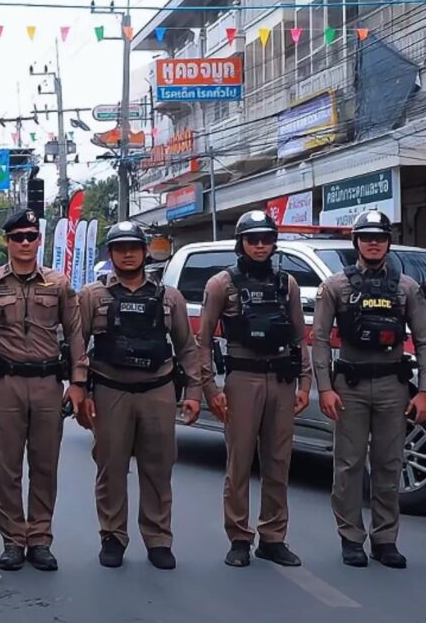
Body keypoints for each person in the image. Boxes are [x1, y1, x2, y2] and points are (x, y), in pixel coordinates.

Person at [0, 209, 87, 572]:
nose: (24, 243)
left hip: (49, 383)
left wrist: (78, 382)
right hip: (6, 384)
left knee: (45, 465)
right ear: (7, 241)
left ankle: (41, 539)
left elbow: (76, 333)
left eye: (30, 236)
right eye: (17, 237)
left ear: (38, 240)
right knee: (7, 467)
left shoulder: (59, 284)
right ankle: (13, 540)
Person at [78, 221, 204, 570]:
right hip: (110, 389)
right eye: (120, 248)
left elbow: (187, 348)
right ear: (111, 253)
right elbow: (76, 347)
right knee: (110, 467)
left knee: (158, 467)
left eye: (134, 247)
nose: (128, 253)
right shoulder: (92, 296)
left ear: (145, 251)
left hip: (158, 390)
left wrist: (193, 391)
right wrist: (80, 391)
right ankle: (113, 536)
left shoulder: (169, 297)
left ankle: (158, 538)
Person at [312, 209, 426, 569]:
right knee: (348, 464)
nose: (373, 243)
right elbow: (317, 340)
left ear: (388, 242)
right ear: (357, 242)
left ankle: (385, 539)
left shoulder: (407, 288)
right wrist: (326, 389)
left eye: (379, 237)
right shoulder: (335, 286)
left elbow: (423, 341)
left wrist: (423, 391)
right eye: (366, 237)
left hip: (394, 386)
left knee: (389, 464)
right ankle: (351, 538)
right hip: (350, 386)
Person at [197, 211, 310, 568]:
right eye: (253, 240)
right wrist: (209, 388)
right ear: (241, 243)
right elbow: (203, 341)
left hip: (281, 379)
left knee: (278, 462)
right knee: (240, 462)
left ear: (274, 243)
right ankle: (239, 537)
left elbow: (297, 336)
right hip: (241, 379)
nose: (260, 246)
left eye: (266, 239)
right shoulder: (221, 284)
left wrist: (305, 382)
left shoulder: (286, 284)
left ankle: (273, 537)